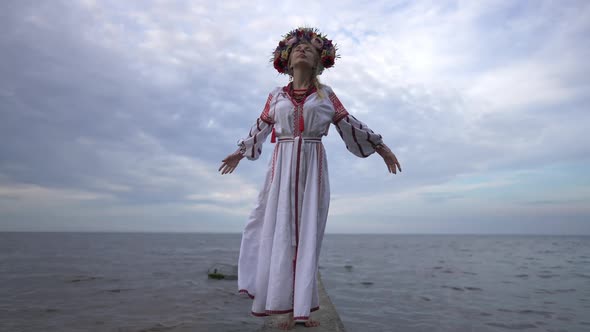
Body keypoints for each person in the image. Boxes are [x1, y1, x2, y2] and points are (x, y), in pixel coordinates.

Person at [219, 27, 401, 330]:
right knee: (273, 229)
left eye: (310, 48)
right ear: (287, 61)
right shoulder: (275, 96)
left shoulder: (326, 95)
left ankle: (301, 309)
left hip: (313, 168)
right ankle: (279, 307)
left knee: (307, 235)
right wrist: (240, 152)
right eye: (296, 48)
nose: (302, 50)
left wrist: (381, 147)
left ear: (319, 60)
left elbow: (350, 125)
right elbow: (260, 129)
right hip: (281, 168)